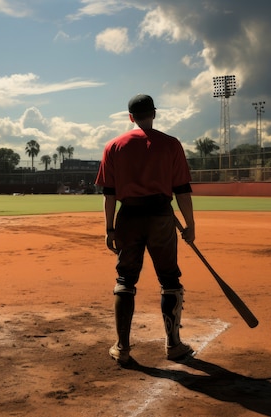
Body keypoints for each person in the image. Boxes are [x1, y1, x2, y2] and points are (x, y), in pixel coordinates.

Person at [95, 94, 196, 365]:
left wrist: (109, 227)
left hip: (128, 217)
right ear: (154, 113)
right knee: (170, 279)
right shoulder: (171, 144)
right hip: (162, 217)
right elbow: (183, 190)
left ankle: (122, 347)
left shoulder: (113, 146)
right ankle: (173, 345)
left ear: (130, 117)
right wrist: (189, 225)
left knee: (125, 279)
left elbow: (109, 194)